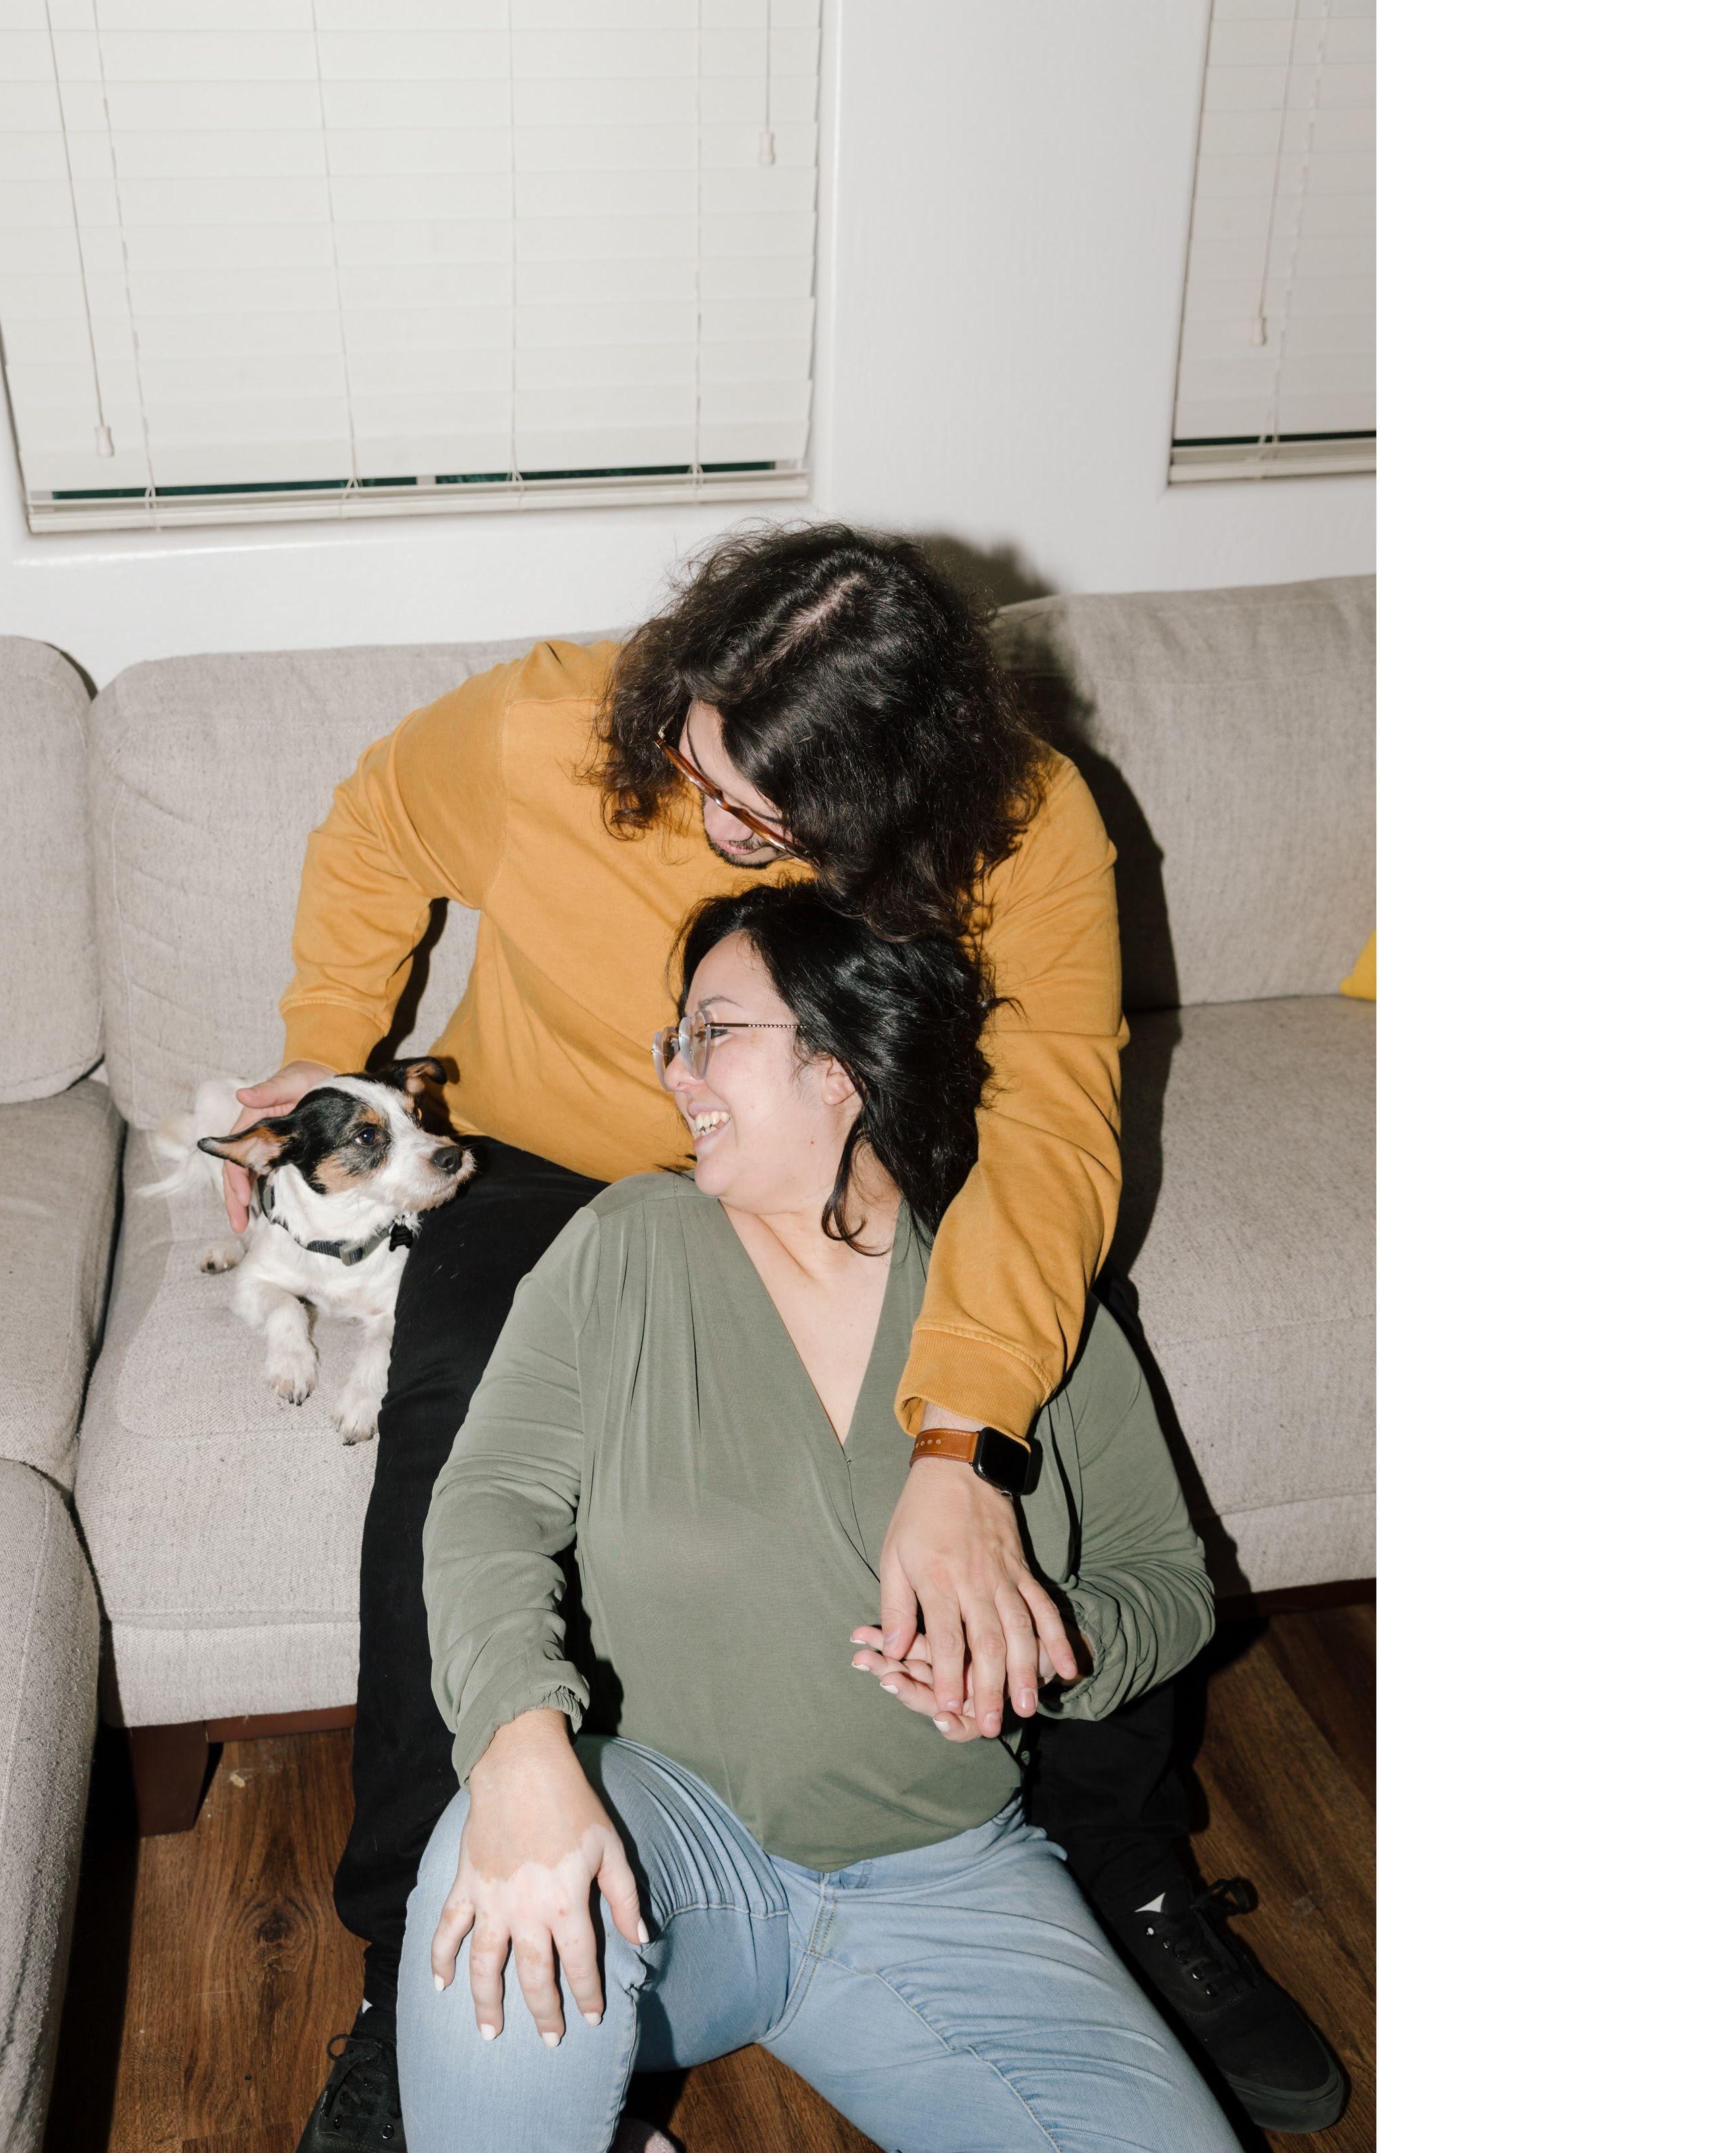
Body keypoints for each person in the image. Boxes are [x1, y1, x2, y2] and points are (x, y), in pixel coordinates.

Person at [242, 524, 1341, 2148]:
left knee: (1059, 1349)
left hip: (850, 1153)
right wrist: (321, 1048)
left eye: (766, 819)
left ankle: (1125, 1874)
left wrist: (966, 1439)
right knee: (452, 1403)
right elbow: (372, 825)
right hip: (546, 1155)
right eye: (697, 774)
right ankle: (414, 1946)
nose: (715, 826)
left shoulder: (1024, 820)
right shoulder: (538, 731)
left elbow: (1048, 1131)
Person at [398, 887, 1240, 2153]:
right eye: (676, 1039)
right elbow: (489, 1504)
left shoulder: (1019, 1298)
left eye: (712, 1032)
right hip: (666, 1852)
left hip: (954, 1880)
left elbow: (1166, 1581)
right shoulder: (627, 1245)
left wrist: (1037, 1649)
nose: (674, 1071)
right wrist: (518, 1745)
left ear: (841, 1064)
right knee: (497, 1885)